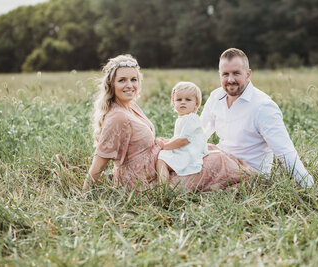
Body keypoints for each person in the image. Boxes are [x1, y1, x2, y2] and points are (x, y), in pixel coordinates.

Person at [82, 54, 255, 192]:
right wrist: (85, 192)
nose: (130, 85)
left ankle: (248, 176)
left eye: (133, 80)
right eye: (122, 80)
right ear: (111, 84)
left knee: (209, 149)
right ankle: (247, 180)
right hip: (143, 180)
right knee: (215, 160)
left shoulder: (130, 106)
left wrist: (164, 145)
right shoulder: (117, 117)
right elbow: (101, 158)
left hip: (154, 164)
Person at [200, 48, 314, 188]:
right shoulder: (216, 97)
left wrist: (307, 185)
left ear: (248, 74)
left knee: (213, 158)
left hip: (249, 173)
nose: (230, 79)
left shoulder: (263, 107)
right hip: (221, 162)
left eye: (236, 73)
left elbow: (284, 150)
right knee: (169, 148)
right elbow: (200, 132)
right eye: (225, 74)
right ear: (219, 75)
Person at [156, 82, 208, 184]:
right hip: (184, 149)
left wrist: (165, 146)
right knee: (163, 155)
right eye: (179, 100)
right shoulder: (183, 118)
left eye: (188, 100)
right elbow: (178, 137)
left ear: (196, 104)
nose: (183, 102)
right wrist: (167, 141)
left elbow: (183, 140)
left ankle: (163, 188)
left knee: (161, 160)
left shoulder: (191, 119)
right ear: (173, 103)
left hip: (188, 153)